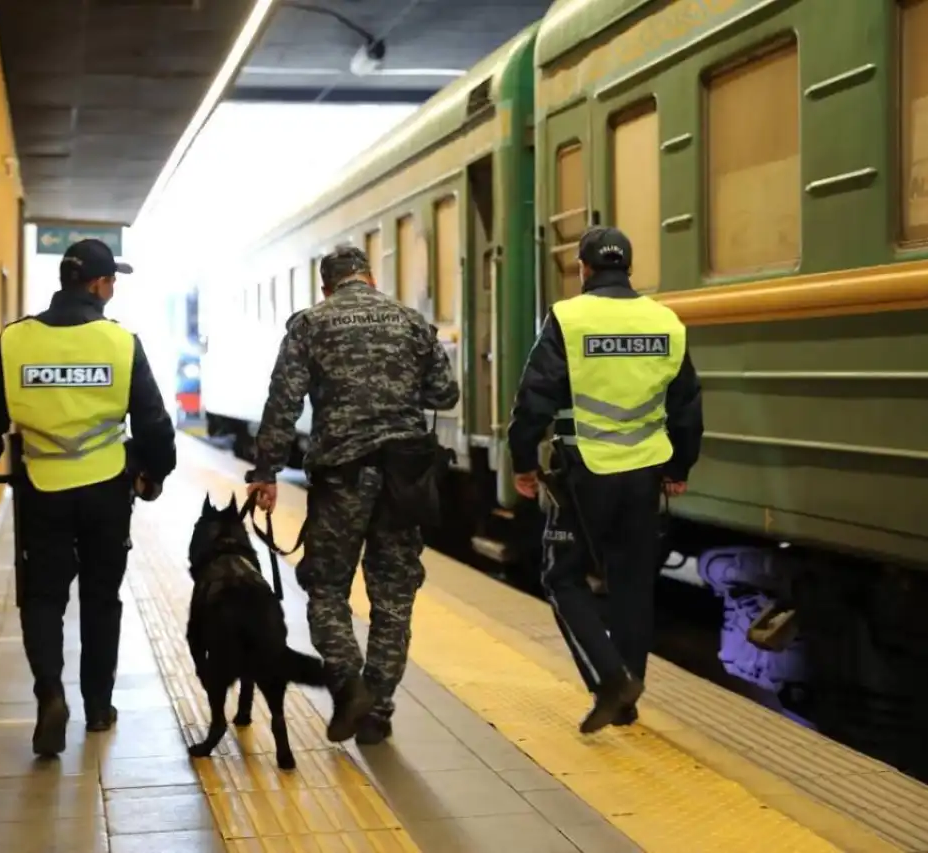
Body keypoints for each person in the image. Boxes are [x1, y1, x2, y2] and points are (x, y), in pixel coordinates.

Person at [0, 238, 177, 757]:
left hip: (42, 488)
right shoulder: (120, 343)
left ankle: (50, 695)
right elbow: (153, 423)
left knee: (43, 598)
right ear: (100, 286)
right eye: (111, 281)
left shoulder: (15, 342)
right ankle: (98, 708)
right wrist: (153, 475)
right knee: (101, 599)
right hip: (106, 489)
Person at [243, 245, 460, 745]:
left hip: (342, 478)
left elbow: (283, 401)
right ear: (368, 277)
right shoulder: (410, 322)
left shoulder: (310, 324)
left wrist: (267, 472)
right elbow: (444, 395)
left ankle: (348, 681)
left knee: (326, 587)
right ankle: (378, 709)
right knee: (394, 595)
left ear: (327, 286)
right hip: (403, 480)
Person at [507, 226, 703, 734]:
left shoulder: (569, 318)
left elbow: (535, 398)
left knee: (561, 576)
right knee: (633, 585)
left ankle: (610, 679)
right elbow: (686, 404)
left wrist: (523, 461)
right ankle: (628, 699)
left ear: (584, 269)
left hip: (584, 472)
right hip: (643, 474)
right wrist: (679, 467)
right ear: (629, 268)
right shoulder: (664, 321)